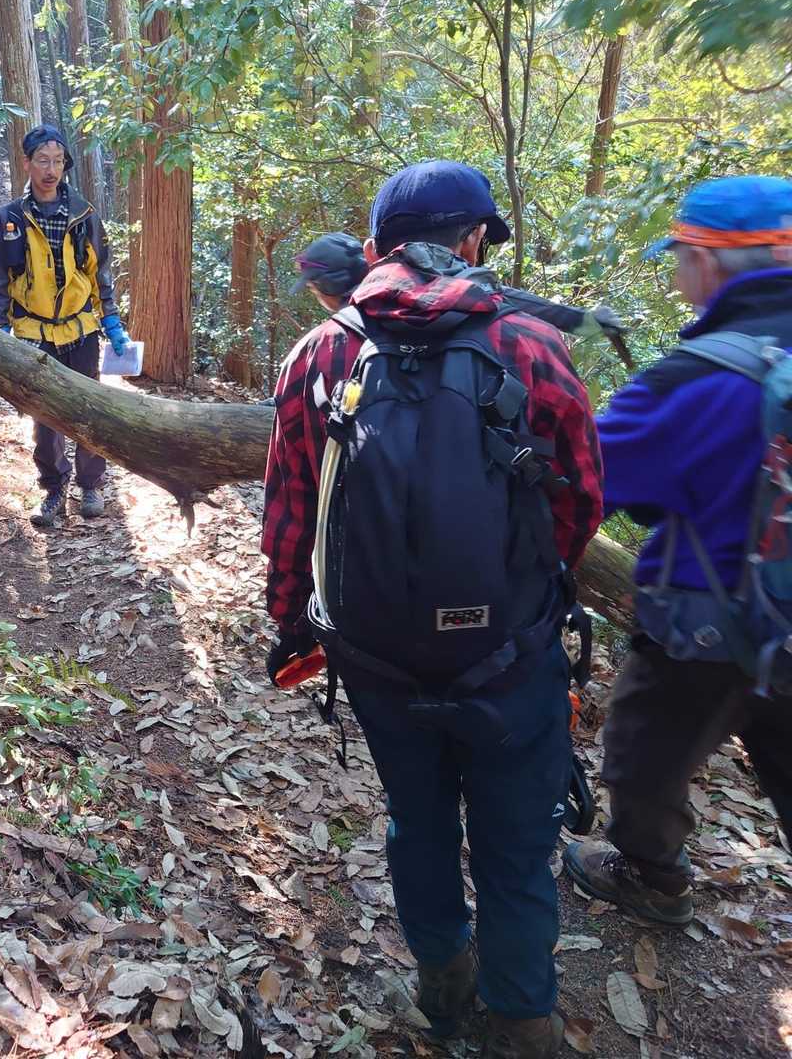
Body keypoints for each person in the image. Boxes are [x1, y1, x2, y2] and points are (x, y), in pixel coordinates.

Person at [262, 160, 603, 1058]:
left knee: (417, 822)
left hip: (377, 659)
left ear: (376, 247)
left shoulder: (322, 353)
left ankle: (442, 985)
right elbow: (580, 500)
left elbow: (290, 515)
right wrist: (527, 594)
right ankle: (523, 1019)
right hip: (511, 656)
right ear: (475, 239)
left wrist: (293, 623)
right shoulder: (531, 345)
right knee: (516, 842)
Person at [563, 175, 792, 926]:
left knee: (644, 757)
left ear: (708, 261)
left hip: (706, 629)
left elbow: (584, 477)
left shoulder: (694, 380)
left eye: (681, 258)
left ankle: (650, 876)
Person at [0, 124, 130, 528]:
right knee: (45, 417)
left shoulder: (84, 214)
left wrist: (111, 319)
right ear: (27, 164)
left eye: (57, 162)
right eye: (42, 161)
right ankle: (53, 489)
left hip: (80, 328)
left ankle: (91, 485)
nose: (51, 170)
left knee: (88, 409)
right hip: (33, 332)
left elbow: (99, 272)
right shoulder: (9, 218)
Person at [292, 232, 626, 342]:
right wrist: (585, 320)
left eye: (314, 288)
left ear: (329, 286)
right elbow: (509, 299)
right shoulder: (429, 286)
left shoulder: (342, 335)